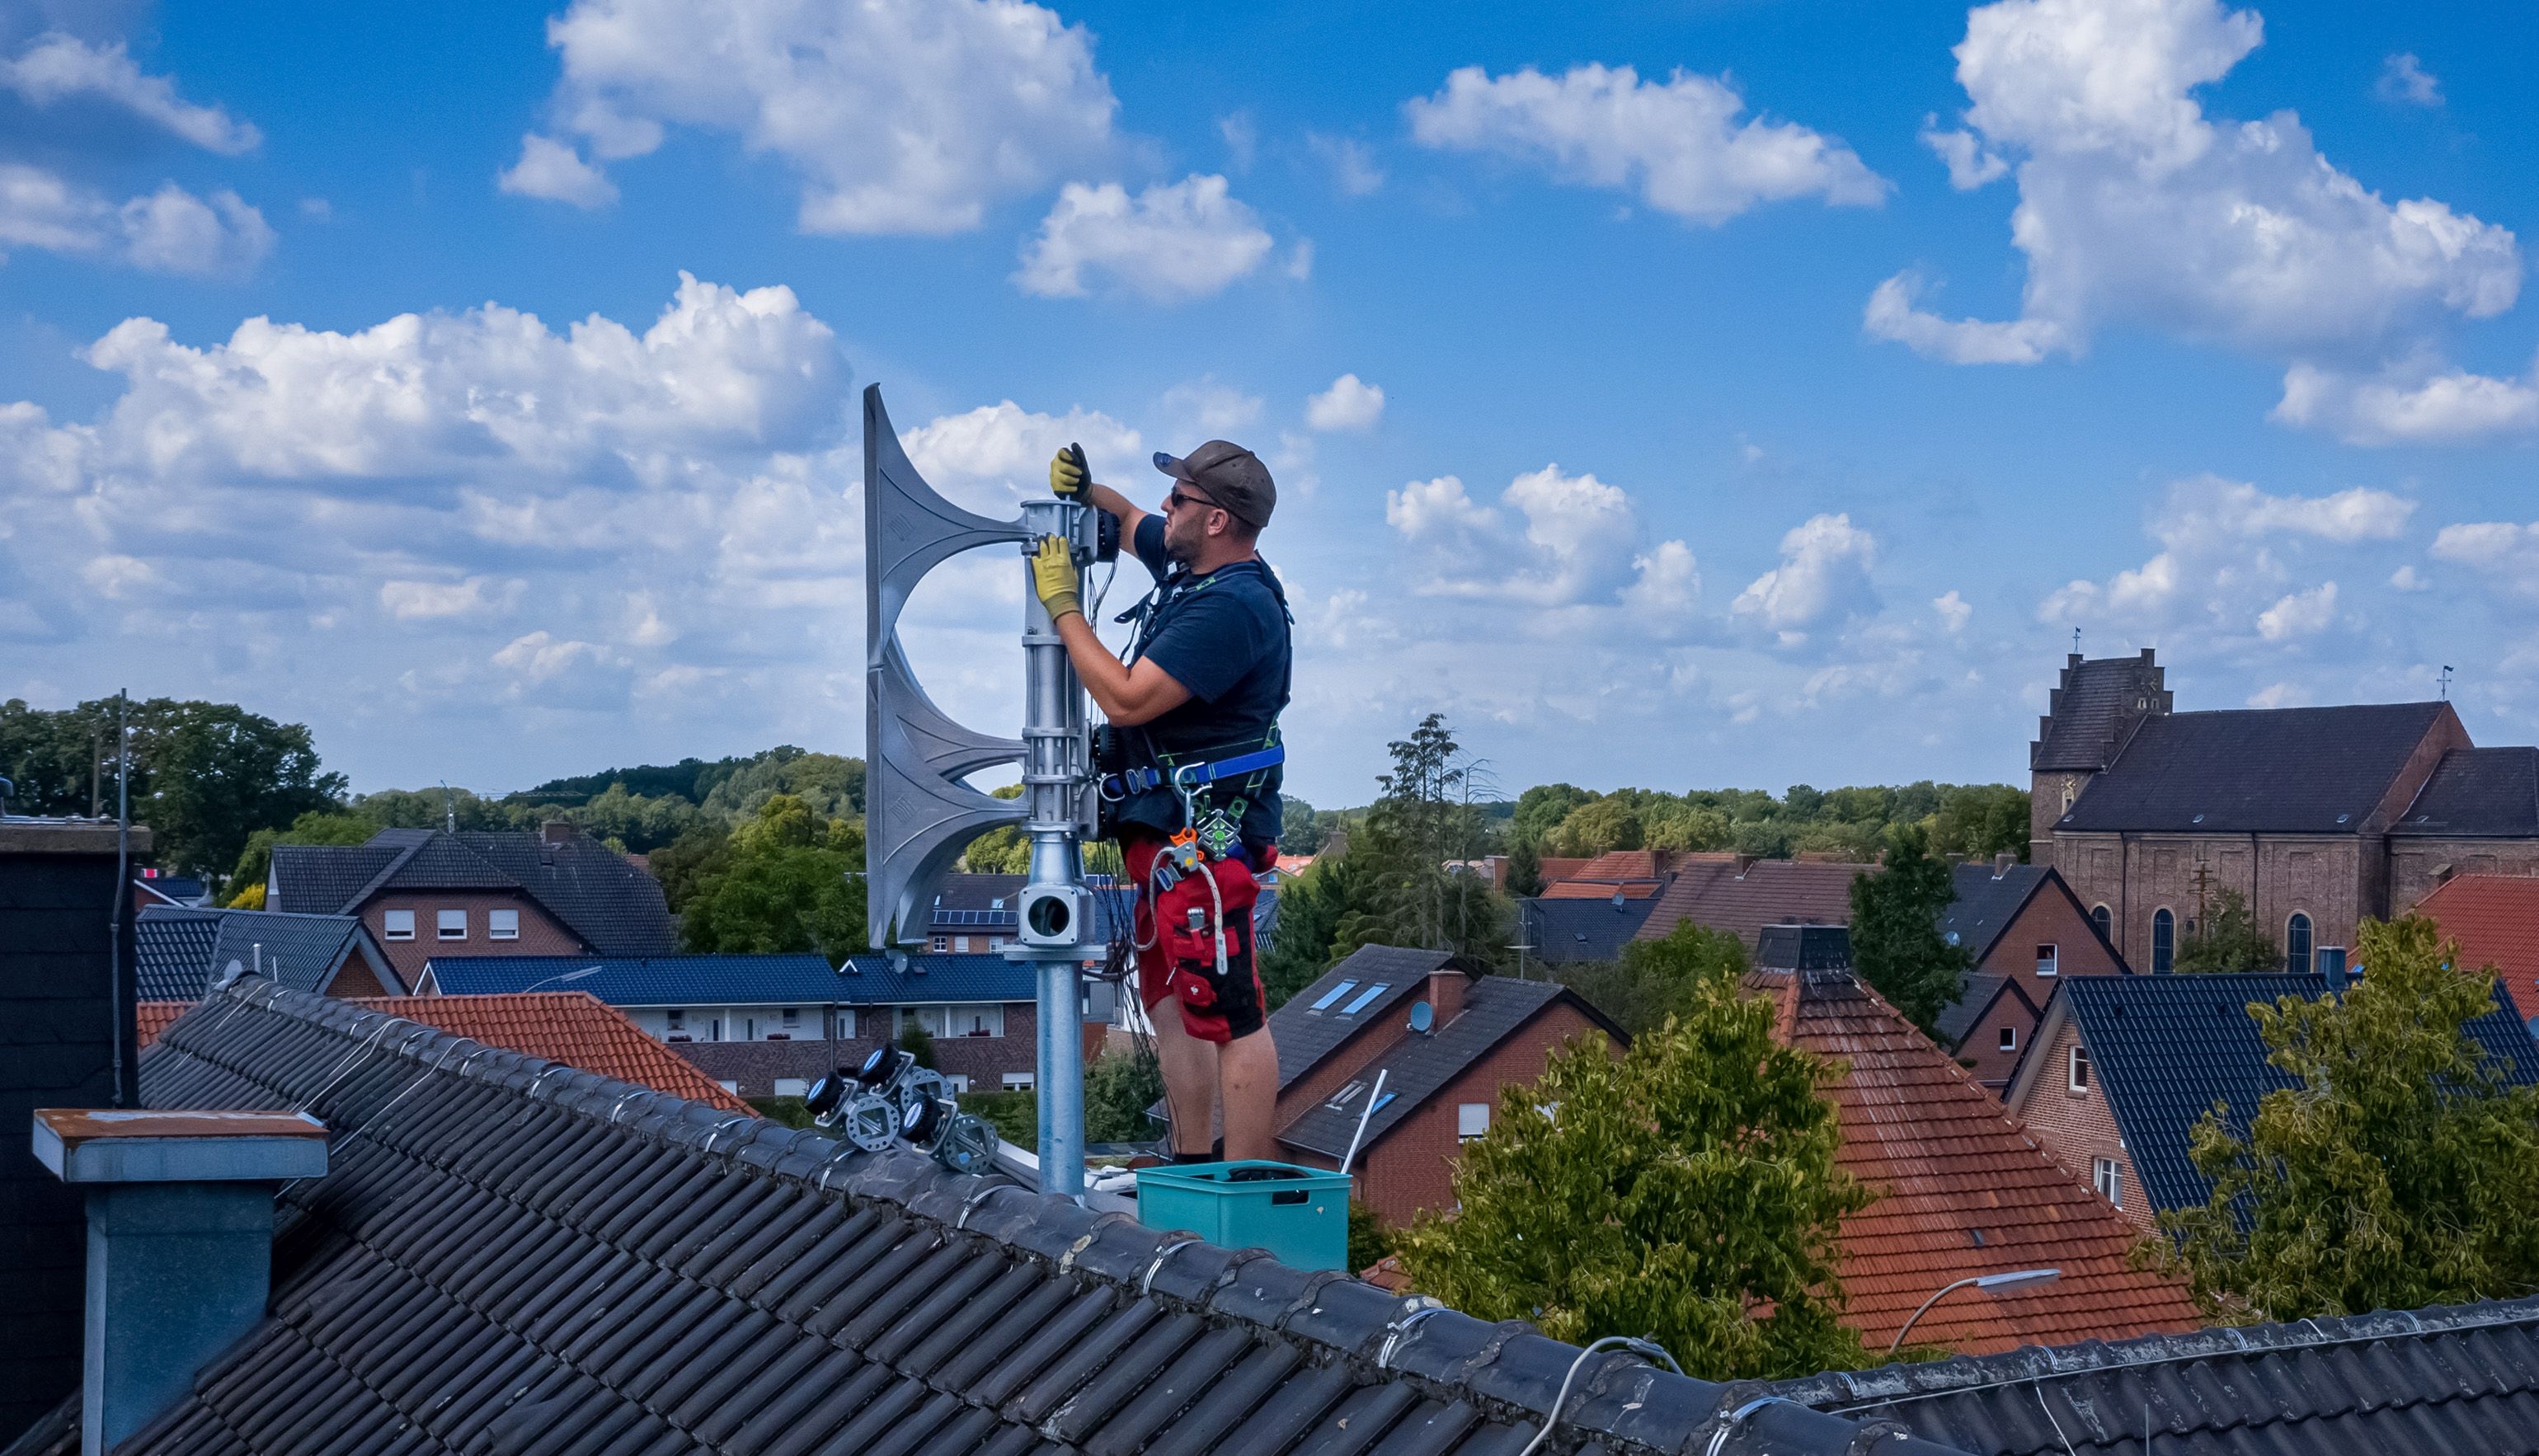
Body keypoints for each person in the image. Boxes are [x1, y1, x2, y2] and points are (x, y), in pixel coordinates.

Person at [1028, 439, 1289, 1162]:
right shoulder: (1193, 565)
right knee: (1172, 1001)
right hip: (1165, 837)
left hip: (1207, 844)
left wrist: (1062, 609)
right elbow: (1132, 516)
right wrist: (1090, 493)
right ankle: (1191, 1160)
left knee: (1228, 1010)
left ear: (1215, 520)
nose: (1164, 509)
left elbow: (1125, 700)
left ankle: (1243, 1183)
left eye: (1180, 499)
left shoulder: (1231, 608)